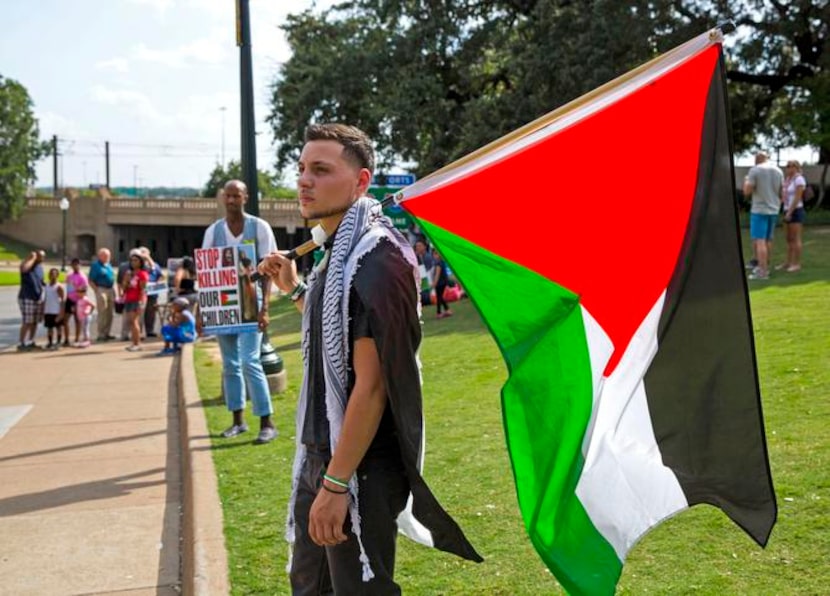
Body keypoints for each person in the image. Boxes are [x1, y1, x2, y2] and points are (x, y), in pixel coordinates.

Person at [258, 123, 480, 593]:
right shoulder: (334, 255)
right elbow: (336, 327)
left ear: (361, 183)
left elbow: (372, 386)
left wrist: (337, 485)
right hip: (320, 455)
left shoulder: (380, 259)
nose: (304, 180)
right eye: (301, 169)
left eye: (321, 170)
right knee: (310, 587)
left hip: (360, 469)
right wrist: (296, 289)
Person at [200, 179, 277, 444]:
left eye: (237, 196)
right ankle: (238, 420)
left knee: (249, 361)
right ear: (223, 198)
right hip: (222, 304)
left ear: (246, 197)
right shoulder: (214, 231)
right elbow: (206, 272)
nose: (232, 200)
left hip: (250, 302)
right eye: (228, 196)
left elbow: (270, 270)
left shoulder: (260, 228)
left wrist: (264, 307)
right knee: (230, 365)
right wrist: (203, 310)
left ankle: (267, 421)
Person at [743, 151, 783, 280]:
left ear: (756, 159)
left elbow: (747, 191)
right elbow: (782, 192)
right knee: (768, 240)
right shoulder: (778, 171)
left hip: (759, 210)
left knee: (759, 241)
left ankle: (762, 272)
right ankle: (765, 266)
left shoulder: (755, 170)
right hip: (774, 210)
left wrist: (745, 181)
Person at [779, 160, 807, 273]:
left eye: (791, 166)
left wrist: (790, 212)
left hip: (795, 210)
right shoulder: (787, 180)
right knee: (789, 239)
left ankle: (796, 264)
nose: (789, 168)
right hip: (786, 210)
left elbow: (797, 198)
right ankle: (788, 262)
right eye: (787, 166)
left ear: (796, 167)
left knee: (796, 238)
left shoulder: (799, 179)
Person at [17, 250, 46, 351]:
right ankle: (21, 343)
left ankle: (30, 341)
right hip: (26, 296)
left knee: (35, 321)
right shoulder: (26, 264)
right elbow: (24, 269)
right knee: (27, 321)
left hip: (37, 297)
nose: (41, 258)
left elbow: (41, 282)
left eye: (43, 257)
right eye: (39, 256)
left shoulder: (40, 268)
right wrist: (32, 258)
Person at [122, 249, 148, 352]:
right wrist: (126, 280)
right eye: (132, 260)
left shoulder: (142, 274)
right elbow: (125, 288)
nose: (133, 262)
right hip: (129, 298)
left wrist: (141, 301)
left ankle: (137, 344)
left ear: (140, 262)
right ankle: (133, 342)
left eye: (136, 260)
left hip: (137, 299)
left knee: (134, 321)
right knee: (130, 322)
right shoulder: (129, 273)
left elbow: (143, 288)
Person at [88, 247, 116, 341]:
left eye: (108, 256)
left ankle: (107, 332)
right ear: (100, 256)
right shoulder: (96, 266)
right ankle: (101, 333)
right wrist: (97, 290)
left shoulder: (108, 265)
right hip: (101, 288)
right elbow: (91, 280)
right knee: (102, 312)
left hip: (110, 289)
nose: (108, 257)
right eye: (105, 256)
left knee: (110, 313)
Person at [140, 246, 165, 337]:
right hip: (142, 292)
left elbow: (160, 275)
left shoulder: (154, 265)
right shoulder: (139, 265)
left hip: (152, 291)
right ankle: (139, 332)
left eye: (145, 254)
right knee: (140, 312)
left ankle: (150, 330)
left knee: (151, 312)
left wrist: (158, 283)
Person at [65, 257, 89, 345]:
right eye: (73, 264)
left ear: (79, 265)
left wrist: (77, 289)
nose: (75, 266)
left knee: (77, 320)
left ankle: (77, 339)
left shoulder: (82, 277)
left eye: (77, 264)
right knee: (65, 319)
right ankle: (66, 339)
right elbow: (67, 287)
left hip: (77, 300)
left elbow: (84, 289)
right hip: (69, 299)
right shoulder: (69, 276)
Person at [43, 267, 65, 350]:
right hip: (48, 310)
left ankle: (58, 342)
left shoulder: (59, 287)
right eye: (51, 274)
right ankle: (50, 342)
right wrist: (43, 310)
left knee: (58, 327)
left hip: (56, 310)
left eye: (55, 274)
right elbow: (45, 298)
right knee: (49, 328)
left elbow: (63, 300)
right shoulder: (47, 286)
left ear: (57, 275)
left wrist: (61, 313)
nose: (53, 275)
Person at [431, 249, 453, 319]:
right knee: (440, 297)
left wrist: (434, 283)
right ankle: (447, 310)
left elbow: (437, 274)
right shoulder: (442, 262)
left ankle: (439, 312)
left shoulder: (438, 263)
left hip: (440, 283)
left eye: (436, 254)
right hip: (443, 282)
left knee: (439, 298)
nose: (435, 256)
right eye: (434, 254)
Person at [413, 237, 434, 306]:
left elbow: (428, 273)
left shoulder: (427, 257)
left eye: (419, 246)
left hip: (429, 282)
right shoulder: (418, 257)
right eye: (416, 246)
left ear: (424, 247)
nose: (417, 248)